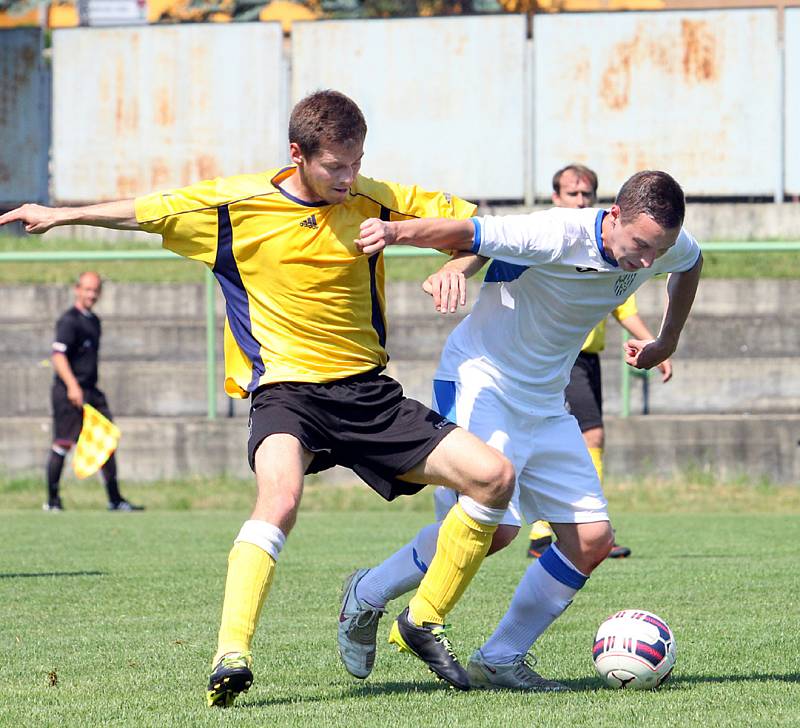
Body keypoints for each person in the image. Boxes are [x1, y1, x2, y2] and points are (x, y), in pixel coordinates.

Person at [0, 90, 515, 704]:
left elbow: (477, 225)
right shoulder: (231, 206)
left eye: (356, 163)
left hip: (369, 394)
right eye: (334, 167)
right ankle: (231, 654)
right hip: (286, 393)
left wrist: (458, 263)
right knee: (281, 496)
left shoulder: (375, 197)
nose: (348, 179)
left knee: (494, 481)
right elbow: (143, 210)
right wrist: (59, 215)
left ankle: (416, 618)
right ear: (297, 154)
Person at [343, 169, 702, 691]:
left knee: (592, 541)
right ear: (616, 215)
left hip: (545, 402)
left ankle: (500, 657)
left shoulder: (663, 243)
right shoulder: (558, 232)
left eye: (657, 250)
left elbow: (689, 264)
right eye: (641, 247)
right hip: (479, 381)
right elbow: (472, 232)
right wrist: (397, 235)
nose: (647, 261)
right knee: (497, 532)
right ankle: (368, 594)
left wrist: (667, 339)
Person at [527, 164, 673, 560]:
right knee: (584, 438)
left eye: (586, 195)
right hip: (559, 357)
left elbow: (623, 308)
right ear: (556, 198)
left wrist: (655, 343)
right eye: (572, 194)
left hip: (587, 359)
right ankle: (552, 528)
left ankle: (573, 527)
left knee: (588, 438)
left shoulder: (615, 250)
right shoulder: (554, 239)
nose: (580, 201)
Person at [43, 271, 143, 513]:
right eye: (87, 289)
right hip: (69, 391)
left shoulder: (94, 321)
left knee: (106, 441)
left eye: (95, 290)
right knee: (63, 443)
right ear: (77, 289)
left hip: (91, 391)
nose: (91, 294)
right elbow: (58, 357)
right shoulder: (69, 321)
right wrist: (73, 386)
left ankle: (115, 499)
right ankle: (53, 502)